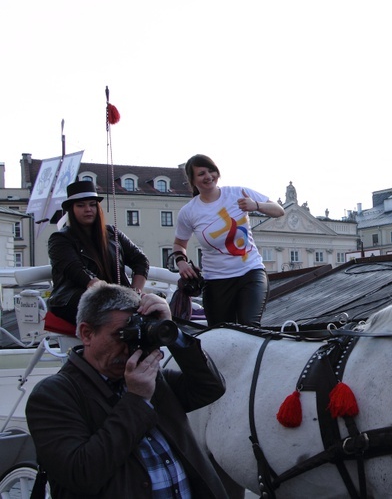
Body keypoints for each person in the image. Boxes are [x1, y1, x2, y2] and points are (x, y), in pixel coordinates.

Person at [26, 282, 228, 498]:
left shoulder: (154, 380)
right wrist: (137, 399)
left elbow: (210, 387)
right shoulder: (53, 396)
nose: (129, 347)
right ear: (87, 334)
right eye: (121, 335)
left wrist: (172, 332)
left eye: (136, 336)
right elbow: (81, 474)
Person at [172, 154, 285, 327]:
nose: (209, 176)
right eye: (201, 173)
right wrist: (181, 262)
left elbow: (278, 210)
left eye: (212, 171)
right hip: (216, 280)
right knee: (221, 333)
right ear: (192, 180)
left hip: (250, 271)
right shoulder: (189, 212)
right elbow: (180, 244)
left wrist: (256, 205)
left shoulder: (238, 193)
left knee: (249, 325)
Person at [47, 180, 150, 325]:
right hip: (74, 300)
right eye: (81, 205)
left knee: (154, 308)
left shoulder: (112, 233)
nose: (88, 209)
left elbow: (140, 259)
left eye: (92, 204)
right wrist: (114, 294)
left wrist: (136, 291)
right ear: (71, 209)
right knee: (113, 313)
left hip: (114, 298)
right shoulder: (60, 238)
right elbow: (75, 269)